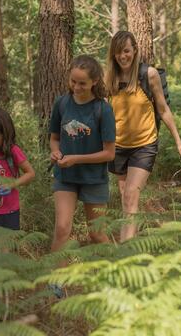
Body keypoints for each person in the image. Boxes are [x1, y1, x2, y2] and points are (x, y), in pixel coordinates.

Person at [105, 31, 181, 242]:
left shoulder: (148, 74)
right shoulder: (110, 78)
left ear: (134, 50)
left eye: (126, 51)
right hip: (118, 146)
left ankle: (126, 249)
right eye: (118, 53)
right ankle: (132, 239)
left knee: (131, 194)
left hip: (144, 144)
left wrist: (179, 143)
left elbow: (163, 110)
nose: (122, 56)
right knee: (126, 197)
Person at [49, 55, 116, 253]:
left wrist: (77, 159)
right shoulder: (61, 104)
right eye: (73, 81)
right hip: (65, 177)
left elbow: (109, 153)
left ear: (94, 82)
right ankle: (55, 283)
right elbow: (54, 139)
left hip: (94, 178)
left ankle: (117, 274)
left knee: (96, 234)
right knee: (62, 229)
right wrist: (56, 153)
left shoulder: (103, 110)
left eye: (82, 83)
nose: (76, 87)